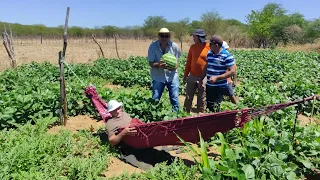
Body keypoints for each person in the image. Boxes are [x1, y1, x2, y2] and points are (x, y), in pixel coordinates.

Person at [106, 99, 174, 170]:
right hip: (130, 148)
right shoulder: (110, 123)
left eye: (119, 108)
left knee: (163, 156)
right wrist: (124, 132)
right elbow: (112, 141)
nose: (118, 111)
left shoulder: (125, 114)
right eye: (114, 110)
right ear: (110, 112)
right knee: (146, 164)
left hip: (141, 141)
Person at [147, 28, 181, 112]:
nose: (164, 38)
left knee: (175, 98)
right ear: (158, 36)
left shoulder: (174, 46)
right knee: (155, 98)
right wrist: (159, 65)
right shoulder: (152, 46)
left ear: (169, 37)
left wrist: (172, 67)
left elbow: (176, 64)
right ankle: (154, 116)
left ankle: (176, 117)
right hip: (158, 76)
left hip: (172, 76)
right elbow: (151, 63)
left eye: (166, 36)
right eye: (162, 36)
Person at [200, 35, 236, 112]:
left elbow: (232, 71)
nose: (209, 46)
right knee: (210, 106)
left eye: (210, 44)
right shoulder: (209, 53)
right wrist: (201, 78)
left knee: (217, 107)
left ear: (216, 45)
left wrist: (217, 78)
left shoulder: (226, 55)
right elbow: (206, 66)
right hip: (209, 85)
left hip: (220, 87)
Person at [183, 29, 210, 113]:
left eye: (194, 37)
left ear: (199, 37)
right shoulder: (193, 47)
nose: (193, 39)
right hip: (192, 75)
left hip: (204, 77)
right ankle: (185, 113)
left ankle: (200, 113)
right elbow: (188, 62)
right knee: (188, 96)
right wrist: (185, 75)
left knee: (202, 97)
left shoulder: (209, 47)